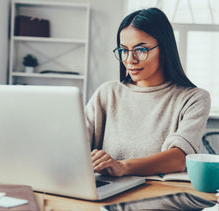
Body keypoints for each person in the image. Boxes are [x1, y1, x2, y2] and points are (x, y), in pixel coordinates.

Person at [85, 8, 211, 177]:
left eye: (141, 50)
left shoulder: (193, 99)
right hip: (107, 192)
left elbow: (180, 158)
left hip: (158, 196)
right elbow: (76, 143)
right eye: (123, 50)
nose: (130, 60)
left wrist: (122, 166)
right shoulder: (106, 93)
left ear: (164, 50)